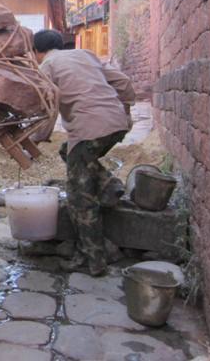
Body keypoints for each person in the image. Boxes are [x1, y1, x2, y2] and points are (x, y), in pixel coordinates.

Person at [33, 29, 135, 277]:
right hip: (117, 124)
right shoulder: (87, 55)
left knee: (80, 198)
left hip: (89, 129)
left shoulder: (47, 65)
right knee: (70, 151)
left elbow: (47, 103)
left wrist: (38, 134)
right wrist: (126, 110)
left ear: (37, 51)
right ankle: (110, 185)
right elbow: (124, 83)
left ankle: (93, 259)